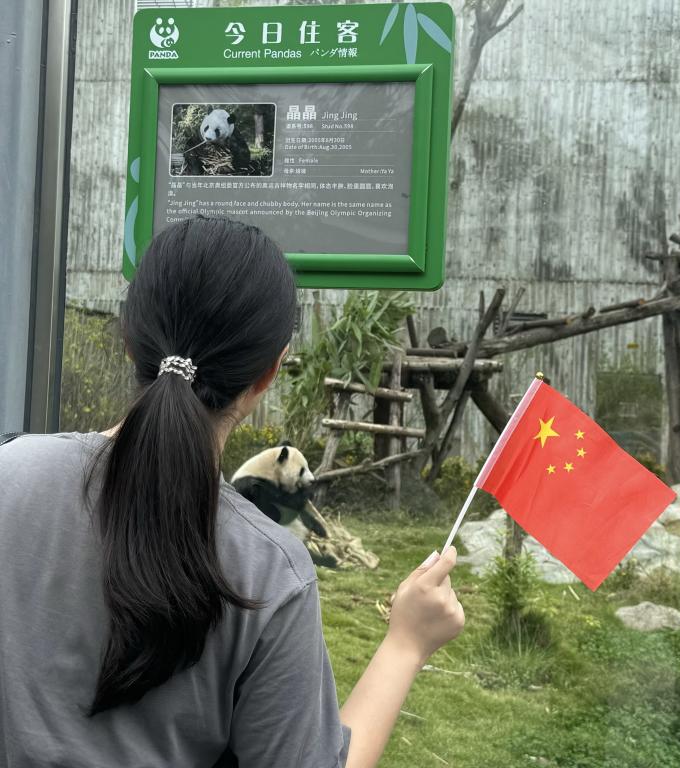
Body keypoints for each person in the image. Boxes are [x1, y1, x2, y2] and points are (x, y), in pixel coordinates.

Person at [0, 217, 464, 767]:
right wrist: (406, 644)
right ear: (270, 371)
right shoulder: (269, 571)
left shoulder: (9, 473)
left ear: (127, 339)